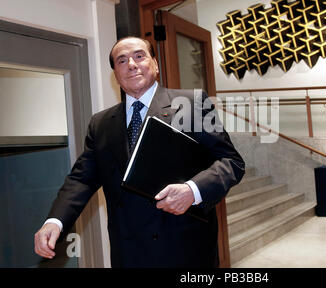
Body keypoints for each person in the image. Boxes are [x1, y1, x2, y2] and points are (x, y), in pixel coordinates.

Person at [34, 36, 245, 267]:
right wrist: (55, 221)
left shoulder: (192, 102)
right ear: (115, 73)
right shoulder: (101, 123)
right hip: (129, 252)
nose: (131, 64)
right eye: (122, 60)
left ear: (154, 63)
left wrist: (192, 190)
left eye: (139, 56)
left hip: (183, 248)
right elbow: (81, 179)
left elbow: (231, 162)